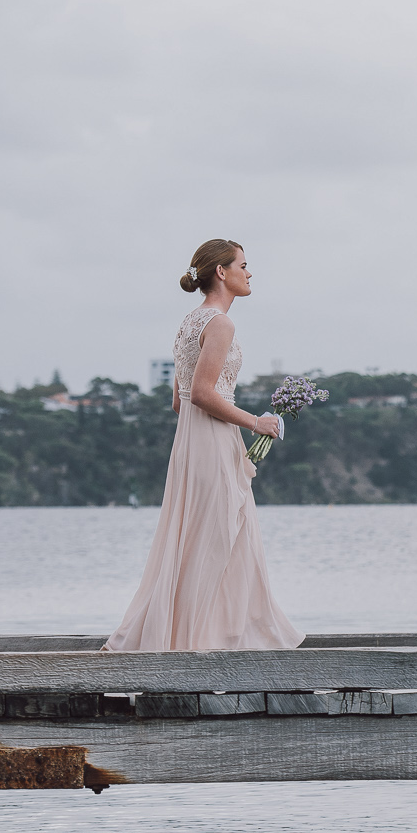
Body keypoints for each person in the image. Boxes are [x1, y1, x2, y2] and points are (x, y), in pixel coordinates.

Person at [104, 240, 301, 651]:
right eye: (244, 266)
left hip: (192, 442)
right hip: (213, 439)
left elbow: (180, 401)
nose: (250, 273)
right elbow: (204, 393)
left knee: (196, 538)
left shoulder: (187, 323)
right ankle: (206, 643)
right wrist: (256, 423)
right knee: (217, 539)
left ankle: (200, 638)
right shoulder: (221, 324)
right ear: (221, 273)